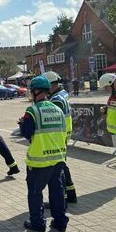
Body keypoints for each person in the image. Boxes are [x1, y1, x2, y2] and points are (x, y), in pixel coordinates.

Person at [19, 76, 68, 232]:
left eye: (31, 91)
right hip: (58, 159)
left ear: (36, 91)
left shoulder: (32, 111)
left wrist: (22, 123)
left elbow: (27, 133)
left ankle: (38, 223)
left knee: (35, 193)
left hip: (39, 161)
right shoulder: (58, 109)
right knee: (57, 192)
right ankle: (60, 222)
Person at [43, 71, 77, 203]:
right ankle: (70, 193)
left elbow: (52, 120)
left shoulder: (56, 100)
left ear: (52, 84)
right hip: (63, 134)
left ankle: (60, 199)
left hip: (58, 136)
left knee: (57, 168)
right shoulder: (61, 94)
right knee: (61, 165)